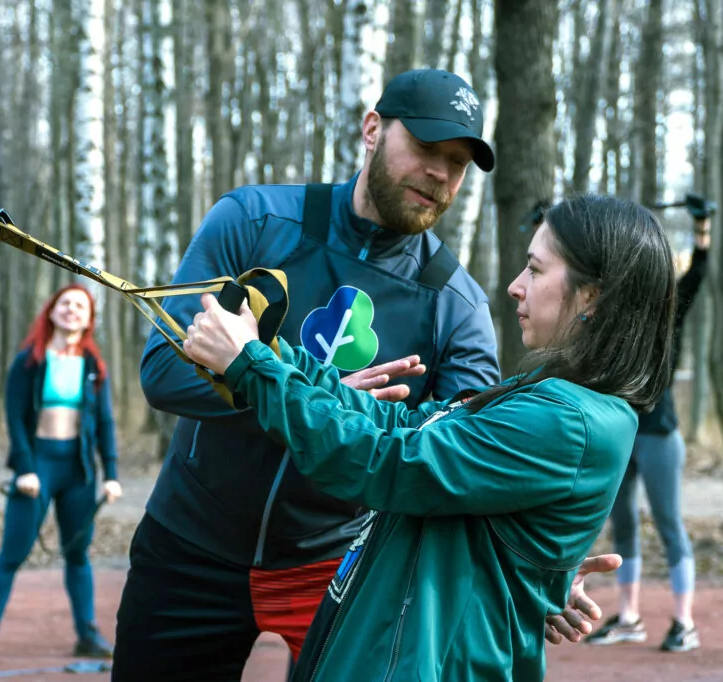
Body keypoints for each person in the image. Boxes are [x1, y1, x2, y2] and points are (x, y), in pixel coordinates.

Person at [112, 68, 617, 681]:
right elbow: (163, 370)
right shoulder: (256, 221)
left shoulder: (455, 304)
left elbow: (467, 467)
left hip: (333, 567)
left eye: (458, 164)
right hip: (191, 544)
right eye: (428, 149)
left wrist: (540, 571)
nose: (441, 174)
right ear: (372, 129)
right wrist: (295, 394)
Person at [182, 193, 677, 681]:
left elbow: (387, 462)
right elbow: (403, 427)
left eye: (535, 269)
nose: (515, 286)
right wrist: (275, 356)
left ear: (592, 293)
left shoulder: (568, 421)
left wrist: (253, 367)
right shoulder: (550, 395)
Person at [585, 195, 714, 653]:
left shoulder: (670, 312)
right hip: (622, 434)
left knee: (668, 523)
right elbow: (585, 273)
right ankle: (629, 618)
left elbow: (697, 273)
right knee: (622, 524)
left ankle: (684, 623)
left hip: (659, 434)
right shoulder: (616, 313)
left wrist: (702, 226)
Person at [0, 283, 123, 665]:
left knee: (77, 554)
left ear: (89, 319)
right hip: (38, 465)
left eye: (81, 306)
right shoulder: (29, 361)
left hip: (79, 469)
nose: (72, 310)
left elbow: (104, 421)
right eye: (66, 304)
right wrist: (24, 468)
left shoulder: (93, 366)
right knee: (12, 554)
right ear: (52, 311)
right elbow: (15, 418)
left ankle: (87, 634)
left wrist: (111, 473)